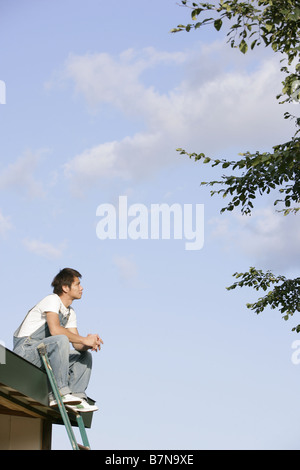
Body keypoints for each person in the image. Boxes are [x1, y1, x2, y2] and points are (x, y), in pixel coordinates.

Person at [13, 268, 103, 413]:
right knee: (60, 339)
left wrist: (89, 343)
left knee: (84, 356)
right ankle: (60, 392)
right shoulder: (52, 300)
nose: (82, 288)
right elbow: (55, 330)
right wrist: (84, 340)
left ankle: (76, 396)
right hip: (25, 352)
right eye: (78, 284)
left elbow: (77, 345)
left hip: (45, 353)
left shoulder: (70, 312)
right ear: (65, 287)